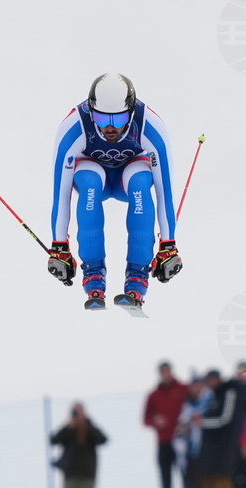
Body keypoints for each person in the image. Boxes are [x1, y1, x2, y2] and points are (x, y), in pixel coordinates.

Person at [47, 72, 181, 312]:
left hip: (128, 177)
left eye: (118, 120)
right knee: (88, 181)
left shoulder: (150, 125)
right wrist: (59, 246)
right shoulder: (74, 126)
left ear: (130, 113)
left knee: (141, 182)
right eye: (100, 118)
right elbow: (61, 190)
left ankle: (137, 277)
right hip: (92, 174)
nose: (109, 127)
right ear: (91, 110)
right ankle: (94, 276)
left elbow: (165, 190)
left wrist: (168, 244)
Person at [143, 361, 190, 488]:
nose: (166, 374)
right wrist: (155, 420)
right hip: (163, 444)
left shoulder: (183, 389)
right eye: (163, 372)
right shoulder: (154, 395)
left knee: (186, 481)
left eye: (168, 371)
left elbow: (192, 406)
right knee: (166, 484)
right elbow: (145, 419)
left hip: (182, 443)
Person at [51, 403, 109, 488]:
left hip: (87, 475)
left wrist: (87, 424)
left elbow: (103, 439)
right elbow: (54, 440)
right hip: (70, 475)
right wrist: (68, 426)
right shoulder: (69, 430)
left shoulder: (89, 428)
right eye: (75, 413)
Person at [197, 370, 241, 488]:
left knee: (223, 480)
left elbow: (225, 419)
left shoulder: (228, 392)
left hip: (224, 447)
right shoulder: (211, 396)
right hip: (210, 447)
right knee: (207, 480)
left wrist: (201, 422)